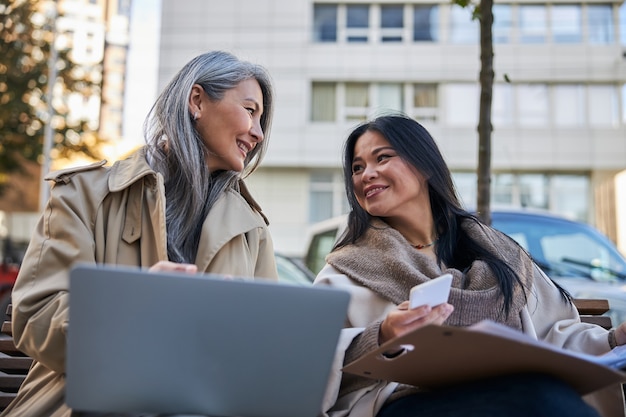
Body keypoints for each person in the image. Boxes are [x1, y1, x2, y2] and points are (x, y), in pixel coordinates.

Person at [2, 50, 278, 417]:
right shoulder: (84, 194)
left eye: (262, 120)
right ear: (197, 100)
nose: (258, 133)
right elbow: (36, 314)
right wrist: (135, 312)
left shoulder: (252, 229)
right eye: (249, 110)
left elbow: (269, 348)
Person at [314, 113, 626, 417]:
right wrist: (382, 336)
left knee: (543, 396)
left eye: (382, 158)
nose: (366, 174)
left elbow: (556, 336)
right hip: (409, 403)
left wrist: (614, 341)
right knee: (539, 399)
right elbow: (311, 358)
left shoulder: (501, 253)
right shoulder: (346, 270)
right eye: (357, 167)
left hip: (514, 393)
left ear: (424, 165)